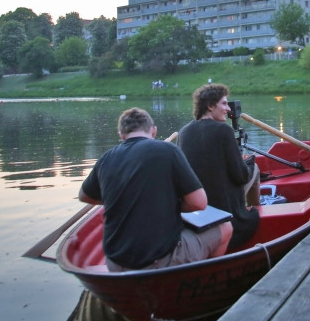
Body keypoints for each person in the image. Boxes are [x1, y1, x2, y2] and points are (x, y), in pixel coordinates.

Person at [79, 107, 232, 271]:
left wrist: (121, 199)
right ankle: (201, 280)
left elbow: (84, 196)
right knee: (225, 228)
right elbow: (199, 203)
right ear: (153, 131)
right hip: (159, 261)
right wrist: (170, 204)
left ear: (122, 135)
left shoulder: (106, 158)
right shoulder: (168, 150)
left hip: (115, 263)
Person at [177, 83, 261, 250]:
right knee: (256, 169)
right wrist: (250, 164)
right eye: (224, 103)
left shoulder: (183, 132)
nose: (228, 109)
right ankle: (252, 208)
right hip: (226, 217)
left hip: (195, 215)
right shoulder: (224, 131)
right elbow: (241, 176)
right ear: (210, 106)